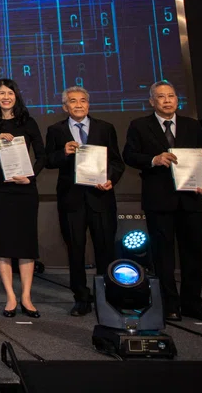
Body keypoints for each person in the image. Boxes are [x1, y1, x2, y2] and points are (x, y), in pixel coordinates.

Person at [122, 80, 202, 323]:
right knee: (163, 256)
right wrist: (154, 159)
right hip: (159, 200)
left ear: (177, 99)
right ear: (152, 101)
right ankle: (169, 304)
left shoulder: (192, 126)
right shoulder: (139, 126)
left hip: (191, 199)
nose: (167, 100)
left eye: (171, 96)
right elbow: (130, 155)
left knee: (193, 255)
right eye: (161, 96)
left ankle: (193, 303)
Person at [44, 86, 124, 316]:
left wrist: (111, 179)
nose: (78, 105)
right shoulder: (56, 130)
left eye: (82, 101)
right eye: (72, 101)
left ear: (88, 104)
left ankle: (108, 297)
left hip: (101, 198)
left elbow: (117, 162)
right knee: (75, 251)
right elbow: (48, 160)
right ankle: (81, 298)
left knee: (106, 250)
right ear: (64, 107)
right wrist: (65, 153)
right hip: (72, 200)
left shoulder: (105, 128)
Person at [0, 78, 46, 318]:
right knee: (3, 243)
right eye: (1, 93)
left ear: (16, 96)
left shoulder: (28, 122)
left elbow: (42, 156)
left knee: (26, 244)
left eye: (10, 93)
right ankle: (10, 297)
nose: (5, 97)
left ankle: (26, 297)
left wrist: (30, 177)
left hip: (24, 189)